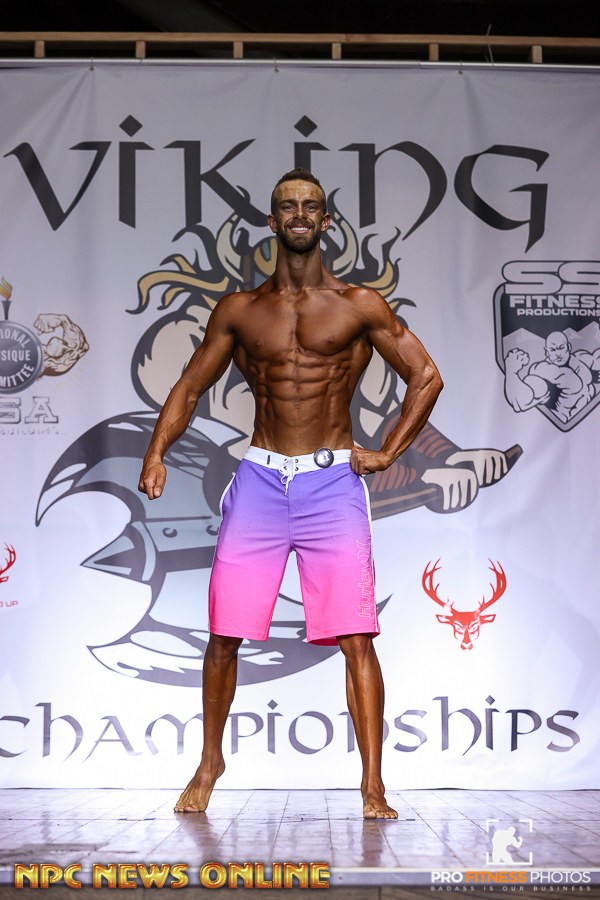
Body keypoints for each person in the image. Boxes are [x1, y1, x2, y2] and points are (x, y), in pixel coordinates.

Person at [138, 167, 443, 819]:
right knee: (224, 633)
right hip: (259, 479)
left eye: (310, 205)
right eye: (288, 206)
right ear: (272, 221)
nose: (299, 214)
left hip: (332, 482)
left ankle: (373, 786)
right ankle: (210, 763)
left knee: (356, 636)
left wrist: (388, 451)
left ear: (325, 222)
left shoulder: (359, 305)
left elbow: (425, 375)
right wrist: (156, 451)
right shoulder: (240, 311)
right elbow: (189, 386)